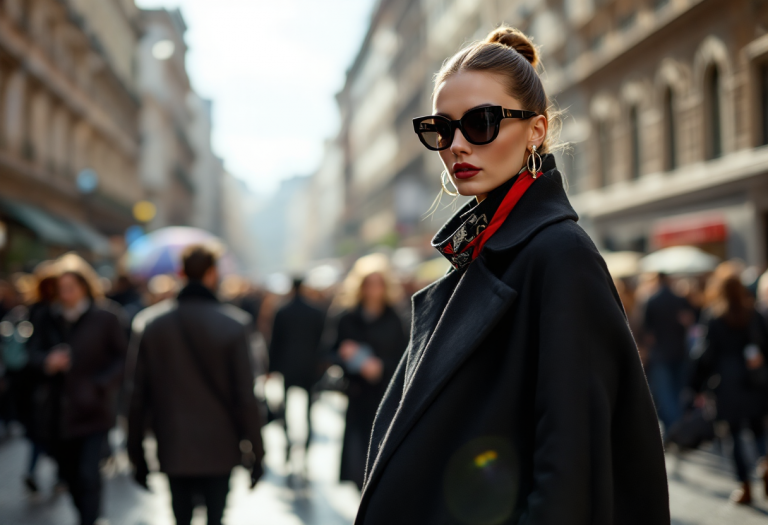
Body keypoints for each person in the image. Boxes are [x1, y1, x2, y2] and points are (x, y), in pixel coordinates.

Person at [355, 27, 669, 524]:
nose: (456, 145)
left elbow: (571, 468)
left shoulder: (559, 255)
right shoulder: (485, 251)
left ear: (537, 130)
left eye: (481, 122)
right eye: (442, 128)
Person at [127, 245, 264, 525]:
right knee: (216, 517)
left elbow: (136, 394)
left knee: (181, 516)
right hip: (221, 442)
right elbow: (246, 397)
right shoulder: (234, 325)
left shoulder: (151, 324)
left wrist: (135, 452)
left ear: (180, 272)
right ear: (213, 273)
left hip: (173, 440)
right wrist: (257, 452)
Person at [27, 263, 127, 525]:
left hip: (93, 409)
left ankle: (89, 519)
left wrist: (100, 385)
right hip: (57, 411)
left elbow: (123, 358)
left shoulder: (106, 317)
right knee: (68, 472)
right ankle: (85, 514)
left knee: (88, 473)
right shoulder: (48, 317)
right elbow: (31, 354)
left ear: (84, 287)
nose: (66, 294)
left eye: (71, 288)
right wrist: (47, 361)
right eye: (61, 289)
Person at [328, 254, 407, 491]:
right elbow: (328, 352)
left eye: (378, 282)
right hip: (357, 395)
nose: (373, 288)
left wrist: (380, 366)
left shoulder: (397, 318)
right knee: (358, 460)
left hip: (387, 395)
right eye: (368, 283)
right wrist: (345, 355)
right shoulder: (346, 317)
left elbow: (407, 355)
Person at [692, 273, 768, 504]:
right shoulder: (753, 313)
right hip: (755, 382)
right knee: (758, 431)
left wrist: (696, 386)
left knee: (733, 436)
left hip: (726, 385)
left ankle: (744, 486)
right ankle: (765, 463)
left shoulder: (714, 316)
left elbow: (705, 355)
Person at [268, 277, 325, 472]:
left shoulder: (282, 310)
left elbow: (274, 341)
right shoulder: (315, 311)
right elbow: (322, 340)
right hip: (309, 366)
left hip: (288, 366)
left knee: (286, 410)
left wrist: (271, 368)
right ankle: (306, 448)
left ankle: (288, 442)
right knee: (309, 411)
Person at [643, 272, 696, 433]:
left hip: (661, 354)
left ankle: (675, 427)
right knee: (678, 391)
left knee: (666, 394)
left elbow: (648, 333)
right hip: (680, 351)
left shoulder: (652, 301)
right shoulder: (679, 299)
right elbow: (690, 321)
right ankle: (679, 425)